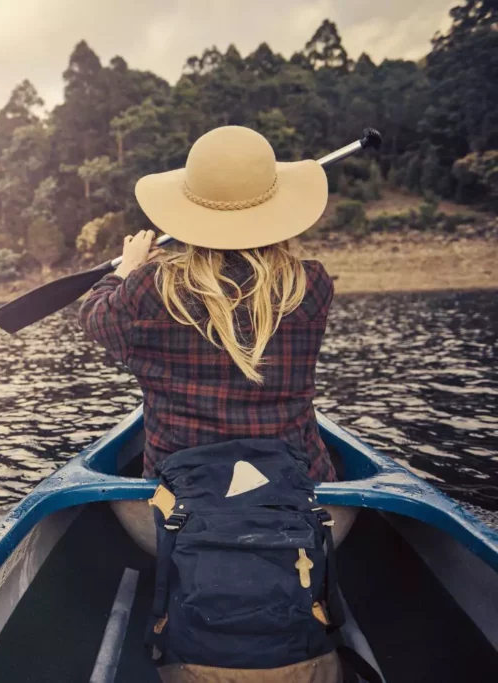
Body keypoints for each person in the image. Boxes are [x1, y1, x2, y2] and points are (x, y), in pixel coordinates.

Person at [80, 125, 361, 681]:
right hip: (297, 492)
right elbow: (243, 285)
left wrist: (127, 266)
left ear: (187, 213)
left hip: (178, 504)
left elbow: (95, 319)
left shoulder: (147, 292)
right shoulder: (311, 286)